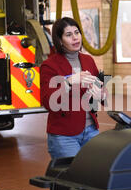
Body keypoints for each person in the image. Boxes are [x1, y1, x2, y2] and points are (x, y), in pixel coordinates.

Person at [40, 17, 106, 160]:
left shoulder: (88, 60)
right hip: (64, 136)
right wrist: (69, 82)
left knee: (93, 176)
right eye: (68, 35)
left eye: (77, 32)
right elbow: (48, 101)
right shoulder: (49, 65)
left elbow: (100, 91)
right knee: (71, 179)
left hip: (91, 131)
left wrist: (101, 95)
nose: (75, 38)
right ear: (59, 40)